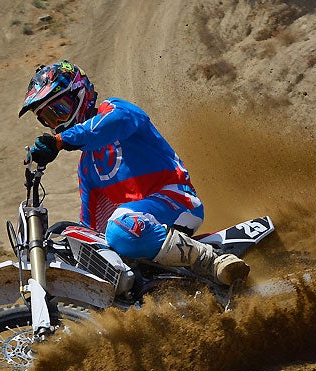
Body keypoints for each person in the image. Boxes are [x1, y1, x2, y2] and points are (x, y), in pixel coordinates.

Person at [18, 60, 249, 286]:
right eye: (47, 118)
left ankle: (212, 260)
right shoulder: (87, 167)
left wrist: (60, 141)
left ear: (80, 94)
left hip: (176, 200)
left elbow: (107, 126)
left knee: (120, 228)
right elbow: (93, 228)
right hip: (139, 226)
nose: (56, 122)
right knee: (91, 243)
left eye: (60, 110)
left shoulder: (119, 110)